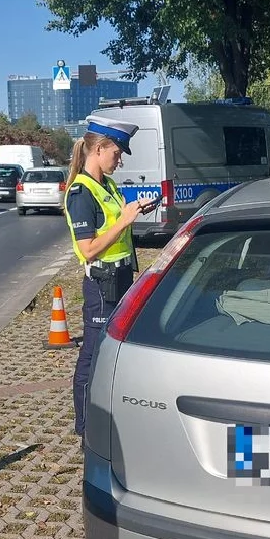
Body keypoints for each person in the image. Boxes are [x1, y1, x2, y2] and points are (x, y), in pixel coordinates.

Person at [62, 115, 151, 435]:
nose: (120, 160)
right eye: (117, 153)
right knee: (92, 358)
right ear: (99, 149)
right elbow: (88, 249)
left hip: (122, 279)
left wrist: (136, 210)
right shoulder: (80, 193)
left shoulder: (108, 185)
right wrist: (125, 221)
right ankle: (86, 430)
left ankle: (106, 417)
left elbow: (115, 228)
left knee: (112, 354)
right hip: (102, 285)